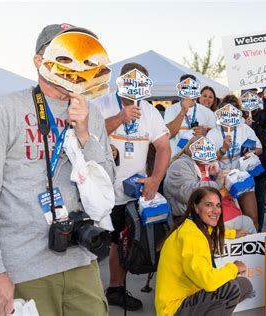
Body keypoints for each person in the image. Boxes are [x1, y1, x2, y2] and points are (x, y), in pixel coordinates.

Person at [0, 23, 116, 315]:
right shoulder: (4, 109)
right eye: (66, 56)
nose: (77, 67)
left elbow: (107, 184)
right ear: (39, 60)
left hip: (82, 259)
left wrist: (85, 135)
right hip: (21, 269)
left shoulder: (92, 113)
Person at [93, 62, 171, 311]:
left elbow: (163, 147)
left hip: (131, 190)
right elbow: (87, 134)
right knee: (91, 244)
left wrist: (155, 179)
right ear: (121, 80)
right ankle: (87, 294)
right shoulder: (102, 104)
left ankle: (116, 288)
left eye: (141, 81)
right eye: (131, 80)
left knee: (123, 240)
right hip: (98, 189)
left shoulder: (149, 111)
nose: (136, 86)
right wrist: (119, 118)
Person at [155, 187, 253, 316]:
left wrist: (232, 233)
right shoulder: (191, 236)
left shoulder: (195, 225)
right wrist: (234, 268)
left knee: (245, 285)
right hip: (174, 309)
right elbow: (208, 281)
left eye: (218, 205)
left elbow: (214, 232)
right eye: (208, 205)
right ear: (196, 208)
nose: (215, 210)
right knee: (230, 289)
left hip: (190, 296)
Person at [164, 135, 256, 234]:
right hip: (195, 218)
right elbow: (189, 194)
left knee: (248, 222)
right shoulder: (180, 165)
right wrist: (218, 182)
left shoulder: (204, 164)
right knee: (247, 225)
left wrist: (217, 175)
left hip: (216, 214)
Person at [206, 95, 262, 230]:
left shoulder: (244, 129)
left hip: (242, 176)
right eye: (226, 111)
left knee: (252, 216)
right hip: (221, 179)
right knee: (227, 220)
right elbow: (208, 160)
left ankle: (256, 245)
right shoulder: (213, 133)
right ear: (220, 113)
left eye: (233, 111)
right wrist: (223, 149)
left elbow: (259, 148)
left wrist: (251, 153)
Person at [243, 82, 266, 232]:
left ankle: (258, 231)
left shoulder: (261, 115)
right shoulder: (237, 117)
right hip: (242, 168)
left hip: (260, 167)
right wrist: (244, 125)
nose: (250, 100)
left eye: (254, 97)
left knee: (259, 200)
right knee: (244, 201)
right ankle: (246, 230)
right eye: (247, 97)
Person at [164, 74, 217, 158]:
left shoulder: (207, 112)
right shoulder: (171, 109)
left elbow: (216, 137)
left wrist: (205, 133)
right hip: (175, 159)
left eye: (192, 87)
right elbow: (168, 134)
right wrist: (183, 111)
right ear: (180, 89)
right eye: (185, 87)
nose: (188, 91)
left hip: (198, 159)